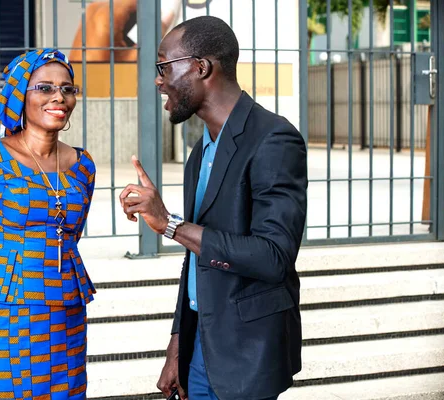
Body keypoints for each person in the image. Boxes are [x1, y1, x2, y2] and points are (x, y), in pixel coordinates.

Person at [119, 16, 307, 400]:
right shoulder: (200, 149)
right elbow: (197, 258)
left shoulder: (274, 140)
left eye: (163, 66)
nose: (158, 80)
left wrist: (170, 224)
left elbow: (273, 257)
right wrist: (178, 344)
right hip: (199, 347)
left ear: (201, 67)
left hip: (245, 355)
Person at [0, 48, 96, 400]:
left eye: (67, 89)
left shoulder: (83, 165)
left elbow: (70, 236)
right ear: (19, 95)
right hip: (1, 311)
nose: (59, 96)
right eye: (44, 88)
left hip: (65, 309)